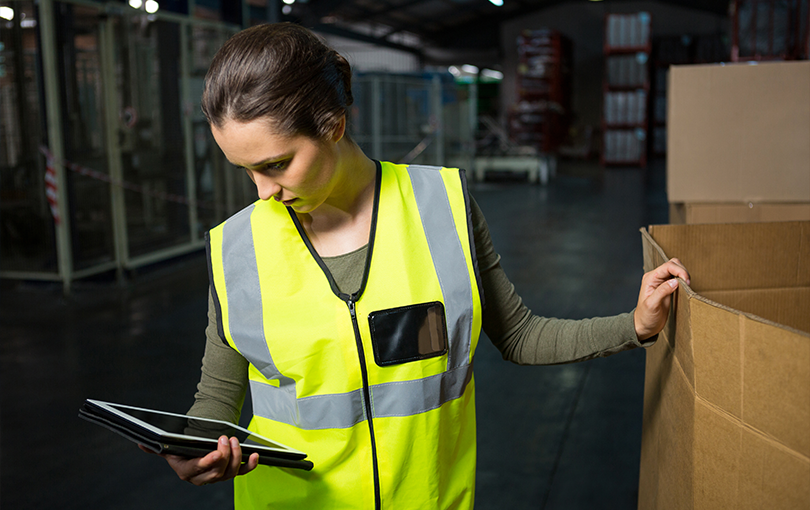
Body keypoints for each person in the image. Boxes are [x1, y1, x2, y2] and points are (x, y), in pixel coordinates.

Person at [142, 22, 689, 509]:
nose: (262, 193)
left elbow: (519, 336)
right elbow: (217, 394)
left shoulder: (441, 206)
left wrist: (635, 326)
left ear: (332, 123)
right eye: (246, 171)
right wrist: (194, 447)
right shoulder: (238, 245)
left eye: (276, 164)